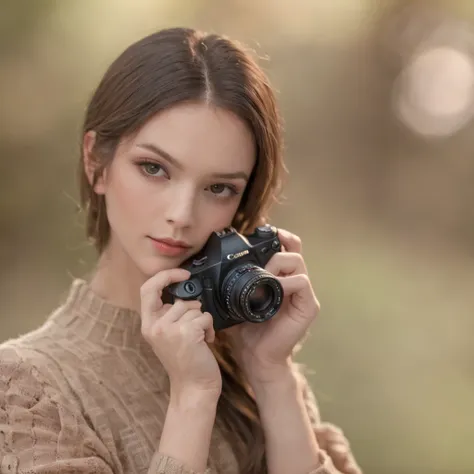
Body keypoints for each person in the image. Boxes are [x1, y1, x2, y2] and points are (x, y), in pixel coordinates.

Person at [0, 28, 361, 474]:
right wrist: (192, 398)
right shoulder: (26, 389)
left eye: (218, 187)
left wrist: (271, 373)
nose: (182, 214)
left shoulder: (253, 364)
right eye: (154, 168)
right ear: (97, 163)